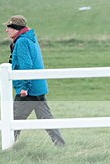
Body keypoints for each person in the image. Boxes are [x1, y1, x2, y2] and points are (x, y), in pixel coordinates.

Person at [4, 15, 65, 146]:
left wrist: (24, 87)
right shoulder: (29, 38)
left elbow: (26, 66)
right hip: (37, 87)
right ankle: (61, 145)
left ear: (16, 28)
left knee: (13, 120)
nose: (6, 30)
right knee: (46, 119)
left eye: (8, 27)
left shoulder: (22, 42)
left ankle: (7, 147)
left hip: (29, 89)